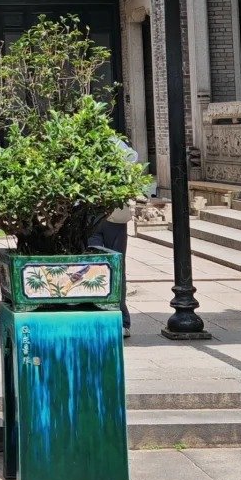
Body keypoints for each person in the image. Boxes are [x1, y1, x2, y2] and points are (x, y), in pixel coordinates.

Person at [87, 135, 140, 339]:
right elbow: (132, 158)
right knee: (100, 267)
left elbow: (132, 159)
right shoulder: (110, 143)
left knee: (112, 267)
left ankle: (119, 319)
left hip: (108, 217)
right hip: (98, 217)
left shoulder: (109, 142)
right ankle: (109, 318)